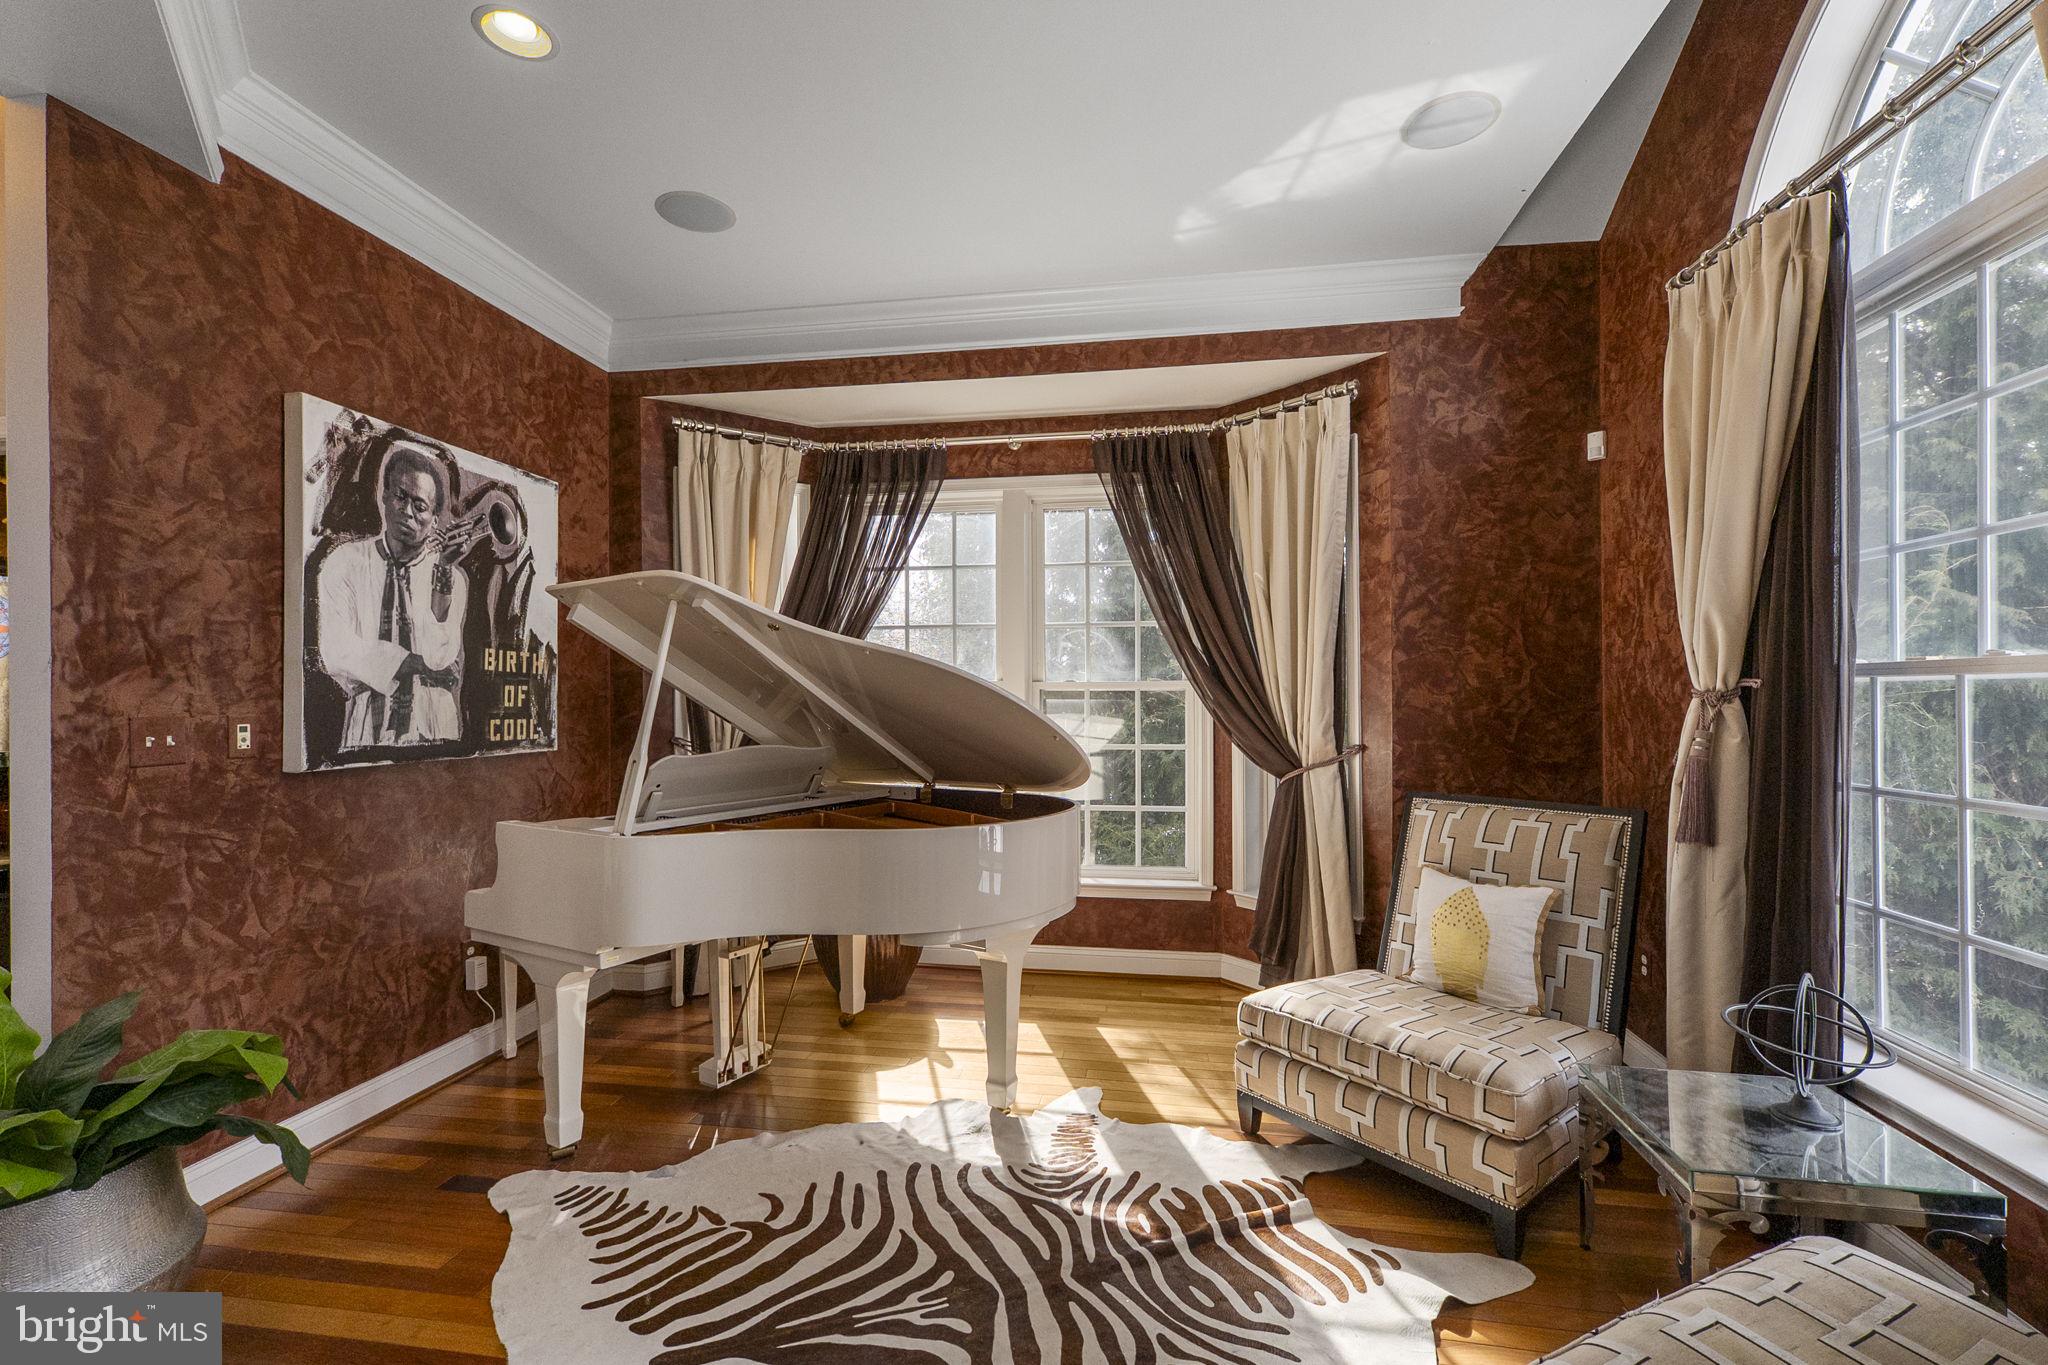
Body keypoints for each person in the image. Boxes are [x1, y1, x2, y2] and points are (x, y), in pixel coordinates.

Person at [316, 442, 468, 750]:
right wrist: (413, 664)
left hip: (434, 726)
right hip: (366, 731)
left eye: (420, 506)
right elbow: (337, 650)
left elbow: (439, 658)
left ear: (435, 520)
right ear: (384, 496)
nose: (407, 511)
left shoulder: (451, 578)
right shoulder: (344, 562)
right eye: (400, 496)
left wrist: (443, 570)